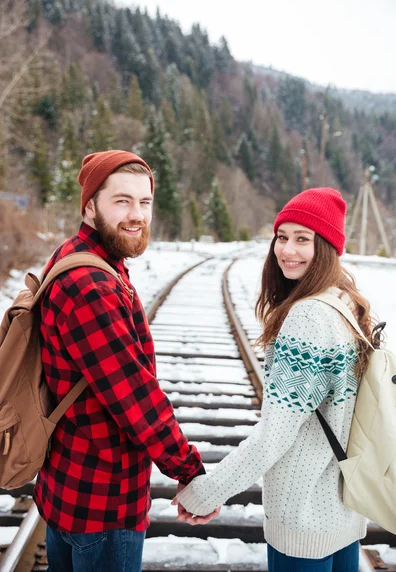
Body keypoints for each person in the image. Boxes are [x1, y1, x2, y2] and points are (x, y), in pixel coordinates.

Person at [174, 188, 374, 572]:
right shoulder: (345, 303)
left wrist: (206, 493)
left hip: (303, 520)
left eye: (303, 240)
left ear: (328, 248)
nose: (287, 250)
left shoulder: (308, 318)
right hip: (343, 513)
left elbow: (273, 438)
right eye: (282, 237)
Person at [33, 150, 213, 572]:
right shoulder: (91, 285)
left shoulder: (79, 256)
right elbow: (135, 399)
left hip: (69, 487)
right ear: (90, 205)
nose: (136, 214)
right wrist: (188, 470)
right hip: (103, 502)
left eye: (144, 202)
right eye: (122, 201)